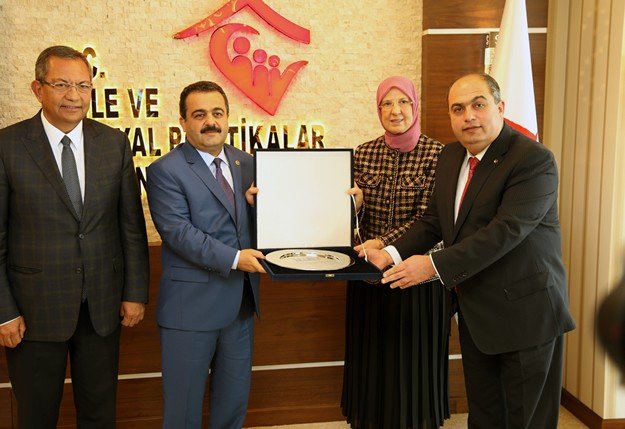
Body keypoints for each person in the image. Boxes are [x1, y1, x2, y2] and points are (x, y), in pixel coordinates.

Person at [365, 73, 576, 429]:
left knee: (527, 421)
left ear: (500, 107)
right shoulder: (451, 156)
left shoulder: (533, 159)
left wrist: (432, 265)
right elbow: (434, 220)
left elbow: (505, 232)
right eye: (458, 109)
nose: (469, 117)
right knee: (485, 417)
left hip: (527, 314)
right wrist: (389, 253)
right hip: (477, 313)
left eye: (478, 105)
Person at [0, 45, 149, 428]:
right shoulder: (7, 146)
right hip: (33, 310)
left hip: (101, 305)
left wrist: (134, 293)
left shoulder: (113, 143)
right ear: (38, 89)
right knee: (36, 415)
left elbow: (130, 226)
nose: (74, 95)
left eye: (83, 86)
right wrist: (4, 311)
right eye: (62, 84)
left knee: (99, 413)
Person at [146, 81, 265, 429]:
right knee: (183, 411)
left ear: (228, 117)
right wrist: (235, 259)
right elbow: (178, 233)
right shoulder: (165, 170)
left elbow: (270, 219)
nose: (210, 122)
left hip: (239, 307)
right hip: (191, 310)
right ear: (183, 122)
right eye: (199, 115)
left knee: (232, 404)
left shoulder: (248, 164)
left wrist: (343, 203)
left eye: (217, 113)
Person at [342, 76, 449, 429]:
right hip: (369, 274)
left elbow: (429, 219)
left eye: (403, 102)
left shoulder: (439, 154)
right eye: (386, 103)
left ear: (415, 106)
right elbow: (352, 219)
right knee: (371, 357)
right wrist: (356, 207)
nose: (395, 110)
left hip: (417, 274)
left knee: (414, 363)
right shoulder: (363, 153)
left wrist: (383, 245)